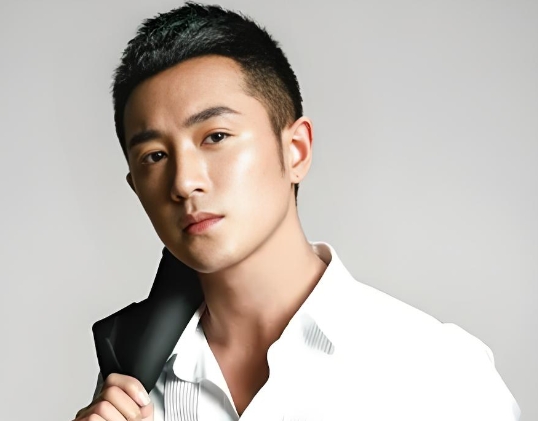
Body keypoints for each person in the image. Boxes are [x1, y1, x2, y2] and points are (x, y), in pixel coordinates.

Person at [72, 2, 520, 420]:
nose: (185, 182)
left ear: (296, 150)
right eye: (154, 156)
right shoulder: (133, 385)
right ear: (135, 187)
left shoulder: (438, 371)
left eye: (216, 137)